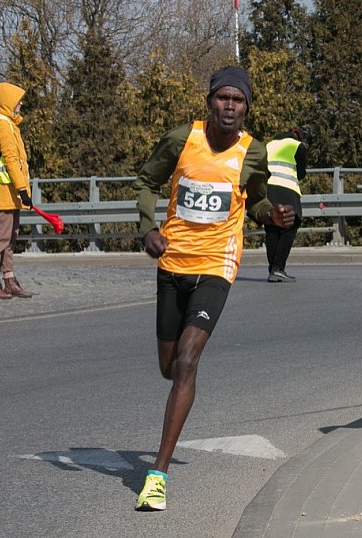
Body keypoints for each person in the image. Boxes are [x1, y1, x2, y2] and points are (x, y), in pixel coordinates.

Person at [132, 66, 295, 511]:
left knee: (187, 359)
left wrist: (270, 215)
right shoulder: (181, 139)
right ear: (209, 102)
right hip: (172, 262)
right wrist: (149, 229)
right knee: (170, 367)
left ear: (246, 108)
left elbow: (257, 199)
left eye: (237, 100)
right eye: (222, 98)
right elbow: (146, 182)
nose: (229, 106)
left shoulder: (253, 151)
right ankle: (183, 382)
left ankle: (157, 474)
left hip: (217, 265)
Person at [0, 82, 34, 299]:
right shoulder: (2, 125)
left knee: (11, 239)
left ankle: (9, 280)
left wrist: (22, 192)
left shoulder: (11, 125)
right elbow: (11, 161)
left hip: (12, 192)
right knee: (0, 238)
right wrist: (23, 189)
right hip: (5, 190)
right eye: (18, 100)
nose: (21, 103)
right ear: (8, 102)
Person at [264, 126, 307, 282]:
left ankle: (272, 269)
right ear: (298, 136)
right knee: (289, 227)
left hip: (268, 190)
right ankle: (278, 268)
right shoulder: (297, 146)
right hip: (288, 190)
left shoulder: (269, 144)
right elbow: (301, 173)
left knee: (271, 229)